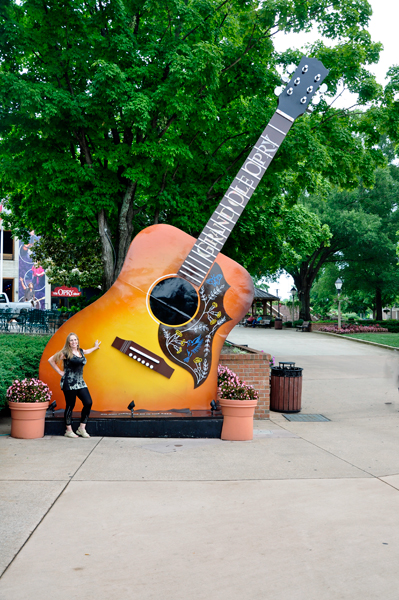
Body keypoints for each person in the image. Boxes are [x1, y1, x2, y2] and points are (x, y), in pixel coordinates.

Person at [48, 332, 101, 438]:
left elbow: (87, 351)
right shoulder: (66, 353)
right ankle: (68, 430)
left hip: (80, 382)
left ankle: (81, 428)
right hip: (69, 382)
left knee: (88, 402)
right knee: (70, 405)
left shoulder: (81, 351)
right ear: (68, 342)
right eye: (71, 340)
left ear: (77, 341)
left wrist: (95, 347)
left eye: (75, 340)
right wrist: (60, 372)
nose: (73, 342)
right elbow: (51, 360)